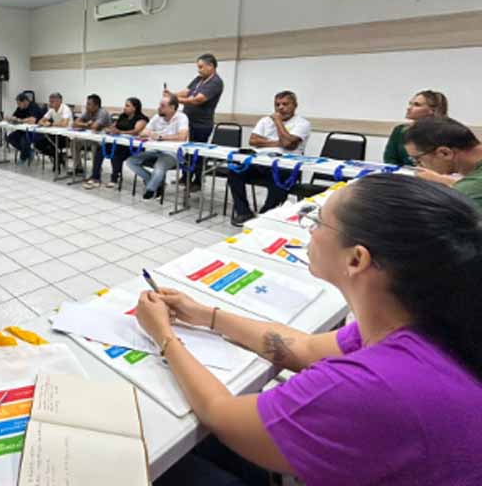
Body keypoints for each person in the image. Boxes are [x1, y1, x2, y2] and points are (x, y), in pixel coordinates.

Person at [142, 174, 482, 486]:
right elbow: (303, 349)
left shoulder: (370, 386)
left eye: (318, 221)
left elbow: (220, 414)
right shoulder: (424, 319)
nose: (308, 230)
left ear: (356, 259)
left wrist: (164, 337)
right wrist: (207, 315)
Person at [228, 91, 311, 226]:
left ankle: (265, 214)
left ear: (295, 105)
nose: (280, 108)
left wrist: (278, 122)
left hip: (286, 165)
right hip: (261, 161)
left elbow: (288, 144)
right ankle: (244, 212)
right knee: (235, 171)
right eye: (277, 105)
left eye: (285, 104)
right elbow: (253, 141)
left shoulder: (302, 123)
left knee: (279, 178)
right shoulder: (265, 120)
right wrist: (279, 142)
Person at [167, 53, 223, 189]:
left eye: (201, 67)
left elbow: (198, 100)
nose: (199, 70)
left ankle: (197, 181)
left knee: (198, 153)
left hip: (201, 124)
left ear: (211, 66)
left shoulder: (215, 82)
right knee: (186, 151)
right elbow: (186, 92)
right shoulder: (199, 79)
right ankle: (185, 178)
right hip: (189, 122)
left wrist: (175, 100)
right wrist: (172, 94)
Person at [404, 116, 482, 212]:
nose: (418, 165)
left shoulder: (469, 192)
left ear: (445, 153)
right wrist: (446, 181)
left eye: (417, 159)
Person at [127, 93, 189, 200]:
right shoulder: (157, 117)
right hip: (156, 150)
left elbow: (182, 136)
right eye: (159, 105)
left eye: (162, 106)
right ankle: (157, 182)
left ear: (172, 107)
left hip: (173, 153)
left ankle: (150, 189)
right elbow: (143, 132)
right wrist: (147, 133)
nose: (159, 108)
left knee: (159, 166)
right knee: (131, 161)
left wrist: (160, 137)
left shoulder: (181, 117)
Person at [83, 97, 148, 189]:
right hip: (118, 142)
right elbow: (114, 126)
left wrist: (120, 132)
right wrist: (110, 129)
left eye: (127, 106)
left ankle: (114, 178)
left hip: (132, 147)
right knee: (100, 150)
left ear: (134, 108)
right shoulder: (122, 116)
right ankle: (95, 177)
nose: (124, 108)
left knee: (116, 152)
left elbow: (136, 131)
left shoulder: (141, 119)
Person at [383, 90, 448, 166]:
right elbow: (390, 160)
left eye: (417, 105)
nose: (409, 108)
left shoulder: (444, 132)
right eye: (410, 104)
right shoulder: (400, 130)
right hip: (403, 172)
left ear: (432, 110)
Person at [70, 93, 113, 174]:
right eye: (87, 104)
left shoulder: (102, 113)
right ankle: (78, 167)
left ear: (96, 106)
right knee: (74, 142)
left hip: (103, 140)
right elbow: (74, 123)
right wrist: (86, 124)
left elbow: (94, 126)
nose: (87, 106)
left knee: (95, 146)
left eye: (89, 104)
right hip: (91, 137)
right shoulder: (88, 112)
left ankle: (96, 170)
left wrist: (85, 125)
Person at [33, 92, 73, 166]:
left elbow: (64, 124)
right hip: (56, 134)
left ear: (59, 101)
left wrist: (51, 124)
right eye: (50, 101)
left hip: (66, 136)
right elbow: (40, 121)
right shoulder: (51, 109)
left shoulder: (65, 109)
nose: (50, 104)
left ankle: (57, 158)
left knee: (50, 144)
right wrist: (44, 123)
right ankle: (59, 157)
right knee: (38, 144)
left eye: (52, 102)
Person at [6, 92, 45, 163]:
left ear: (25, 101)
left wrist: (20, 120)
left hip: (36, 131)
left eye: (19, 103)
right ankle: (29, 152)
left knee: (24, 140)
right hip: (24, 130)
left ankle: (23, 158)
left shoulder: (33, 106)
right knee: (10, 138)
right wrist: (10, 118)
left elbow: (32, 120)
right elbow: (14, 116)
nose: (18, 105)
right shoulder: (20, 108)